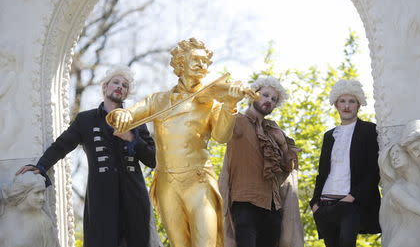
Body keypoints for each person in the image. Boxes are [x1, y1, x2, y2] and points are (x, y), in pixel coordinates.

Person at [106, 38, 256, 247]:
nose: (201, 65)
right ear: (180, 63)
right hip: (168, 184)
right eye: (195, 59)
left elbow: (222, 136)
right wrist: (121, 115)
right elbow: (129, 114)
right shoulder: (157, 100)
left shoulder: (210, 101)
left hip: (198, 180)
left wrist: (229, 104)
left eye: (205, 62)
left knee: (206, 241)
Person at [16, 66, 159, 247]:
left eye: (125, 85)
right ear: (105, 87)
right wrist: (41, 166)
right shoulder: (86, 120)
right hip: (101, 199)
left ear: (126, 94)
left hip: (135, 198)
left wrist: (131, 138)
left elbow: (153, 160)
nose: (120, 87)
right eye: (116, 82)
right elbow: (62, 145)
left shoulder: (137, 121)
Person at [218, 75, 304, 247]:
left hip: (273, 208)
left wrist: (284, 147)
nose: (269, 101)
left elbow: (287, 169)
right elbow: (220, 132)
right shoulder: (238, 121)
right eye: (265, 95)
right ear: (253, 95)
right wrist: (231, 100)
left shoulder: (274, 131)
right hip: (245, 202)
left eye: (274, 99)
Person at [310, 79, 381, 247]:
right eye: (342, 101)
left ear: (358, 105)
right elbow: (322, 172)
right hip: (324, 203)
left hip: (350, 202)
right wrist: (314, 204)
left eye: (352, 101)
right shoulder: (329, 136)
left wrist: (353, 197)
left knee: (347, 243)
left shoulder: (369, 130)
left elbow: (374, 169)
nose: (347, 106)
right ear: (336, 105)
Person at [0, 172, 59, 247]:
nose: (42, 198)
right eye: (37, 193)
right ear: (24, 192)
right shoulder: (4, 212)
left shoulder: (44, 222)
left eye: (43, 192)